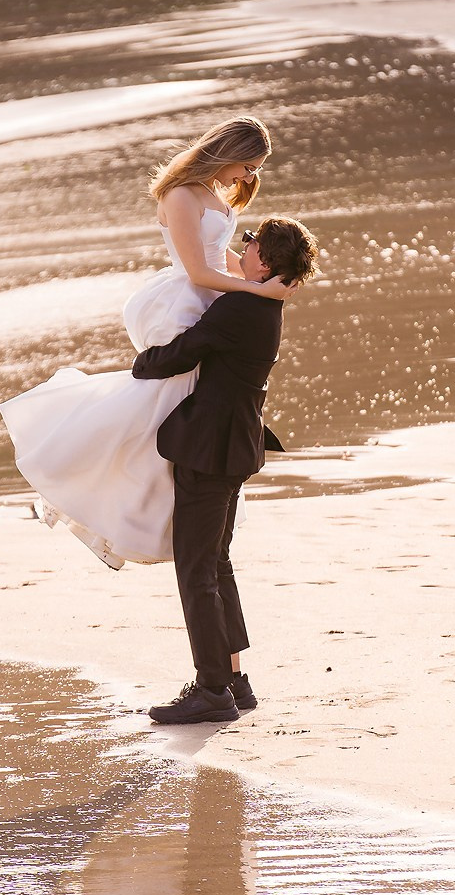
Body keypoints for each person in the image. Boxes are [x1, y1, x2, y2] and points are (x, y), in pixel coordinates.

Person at [0, 117, 291, 570]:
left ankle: (168, 499)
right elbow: (197, 270)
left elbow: (222, 254)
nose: (250, 178)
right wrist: (256, 291)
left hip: (214, 293)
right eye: (249, 166)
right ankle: (101, 478)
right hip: (186, 299)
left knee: (187, 401)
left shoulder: (212, 194)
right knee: (163, 399)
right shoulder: (180, 195)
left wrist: (261, 279)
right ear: (230, 152)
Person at [134, 216, 320, 725]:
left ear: (265, 260)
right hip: (233, 444)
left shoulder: (243, 305)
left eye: (251, 242)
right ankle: (233, 680)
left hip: (211, 450)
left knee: (196, 570)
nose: (245, 248)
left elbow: (183, 353)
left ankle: (212, 688)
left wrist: (140, 363)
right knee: (215, 564)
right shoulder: (264, 303)